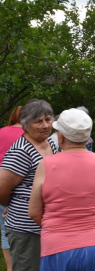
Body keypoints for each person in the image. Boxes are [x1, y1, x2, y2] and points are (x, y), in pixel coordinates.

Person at [28, 108, 95, 271]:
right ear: (87, 136)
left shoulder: (46, 164)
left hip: (56, 242)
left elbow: (34, 211)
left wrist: (55, 226)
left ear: (61, 136)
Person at [0, 99, 57, 271]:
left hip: (48, 223)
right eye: (38, 121)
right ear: (25, 124)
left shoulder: (51, 143)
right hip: (25, 228)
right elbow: (1, 189)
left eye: (48, 119)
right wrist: (12, 204)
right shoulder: (21, 152)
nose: (45, 125)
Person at [0, 106, 24, 271]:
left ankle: (10, 267)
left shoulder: (1, 132)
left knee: (3, 228)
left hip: (2, 183)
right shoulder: (31, 135)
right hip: (24, 186)